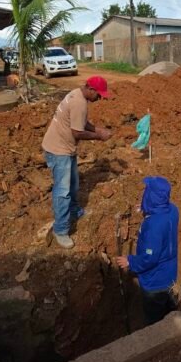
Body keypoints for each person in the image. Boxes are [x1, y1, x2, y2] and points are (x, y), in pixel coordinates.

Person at [42, 76, 113, 248]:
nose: (99, 98)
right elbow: (77, 133)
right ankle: (60, 230)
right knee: (63, 191)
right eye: (99, 95)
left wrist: (96, 129)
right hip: (59, 151)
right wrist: (99, 136)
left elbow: (80, 122)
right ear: (91, 90)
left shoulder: (77, 93)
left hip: (64, 148)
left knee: (73, 184)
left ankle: (73, 210)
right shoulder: (79, 103)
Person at [115, 176, 179, 325]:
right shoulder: (173, 210)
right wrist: (146, 207)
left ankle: (158, 334)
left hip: (155, 281)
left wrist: (130, 261)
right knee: (169, 309)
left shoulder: (153, 227)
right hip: (170, 272)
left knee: (154, 318)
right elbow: (161, 209)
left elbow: (149, 258)